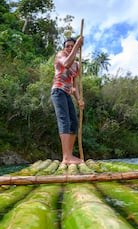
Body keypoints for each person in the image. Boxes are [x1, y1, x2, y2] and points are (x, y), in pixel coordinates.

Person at [51, 36, 85, 165]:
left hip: (67, 93)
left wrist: (79, 100)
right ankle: (66, 157)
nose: (70, 48)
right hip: (58, 91)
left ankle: (69, 155)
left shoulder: (76, 65)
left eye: (73, 46)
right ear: (64, 48)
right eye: (68, 46)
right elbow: (66, 64)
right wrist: (77, 46)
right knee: (64, 121)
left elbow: (74, 86)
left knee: (74, 123)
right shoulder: (61, 55)